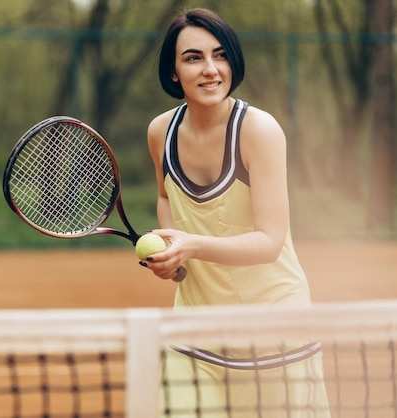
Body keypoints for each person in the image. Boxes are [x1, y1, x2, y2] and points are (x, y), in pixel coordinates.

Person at [141, 8, 331, 418]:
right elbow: (165, 195)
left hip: (274, 333)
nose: (210, 69)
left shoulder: (258, 131)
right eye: (193, 58)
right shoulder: (161, 132)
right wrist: (172, 246)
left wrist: (191, 245)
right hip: (194, 333)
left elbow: (268, 242)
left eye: (220, 55)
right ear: (174, 72)